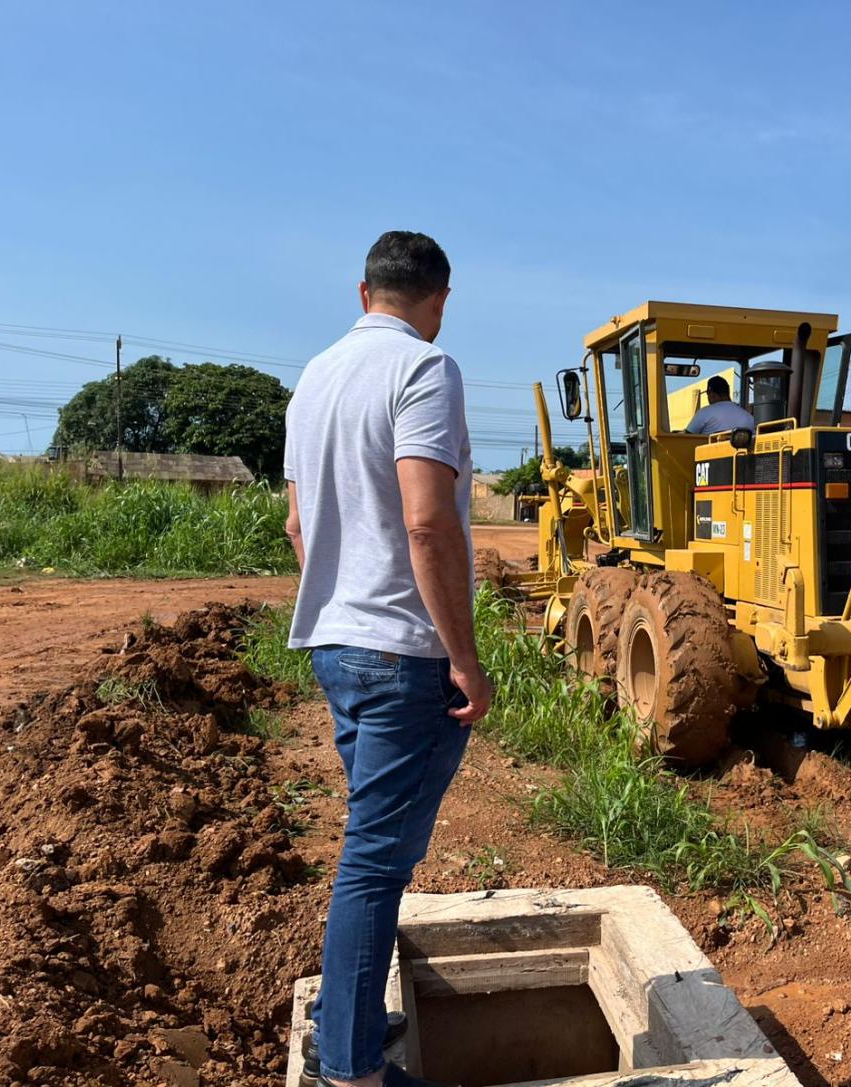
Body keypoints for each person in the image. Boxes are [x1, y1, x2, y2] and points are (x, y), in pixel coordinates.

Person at [283, 230, 492, 1087]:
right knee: (374, 863)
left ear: (363, 291)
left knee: (372, 849)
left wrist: (341, 606)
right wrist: (463, 657)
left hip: (335, 645)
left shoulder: (313, 377)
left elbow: (298, 525)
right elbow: (427, 522)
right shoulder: (424, 369)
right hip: (404, 655)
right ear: (439, 300)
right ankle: (351, 1069)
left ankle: (353, 1019)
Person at [684, 375, 755, 435]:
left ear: (712, 394)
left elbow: (687, 437)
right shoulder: (749, 418)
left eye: (707, 393)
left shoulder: (704, 412)